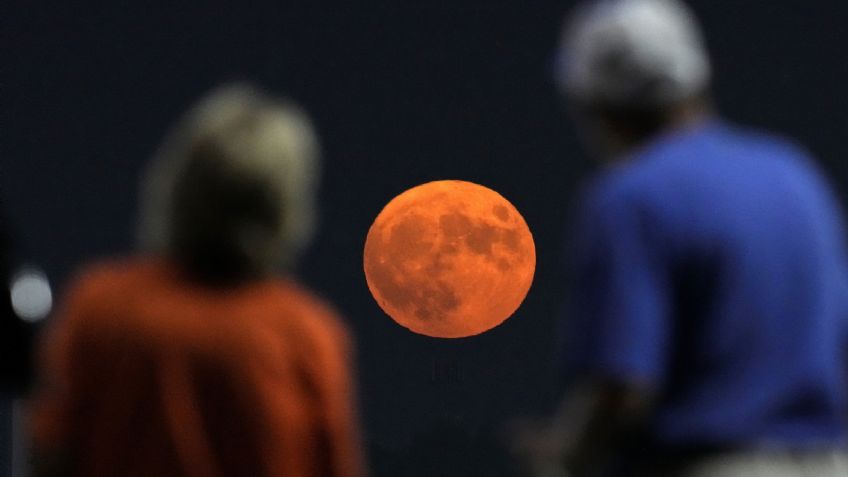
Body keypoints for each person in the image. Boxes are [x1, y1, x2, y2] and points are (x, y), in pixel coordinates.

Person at [514, 0, 848, 476]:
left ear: (593, 104)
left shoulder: (630, 197)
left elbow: (623, 383)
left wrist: (566, 457)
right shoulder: (794, 173)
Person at [28, 84, 365, 477]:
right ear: (283, 207)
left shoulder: (99, 307)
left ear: (179, 185)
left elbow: (51, 453)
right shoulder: (306, 335)